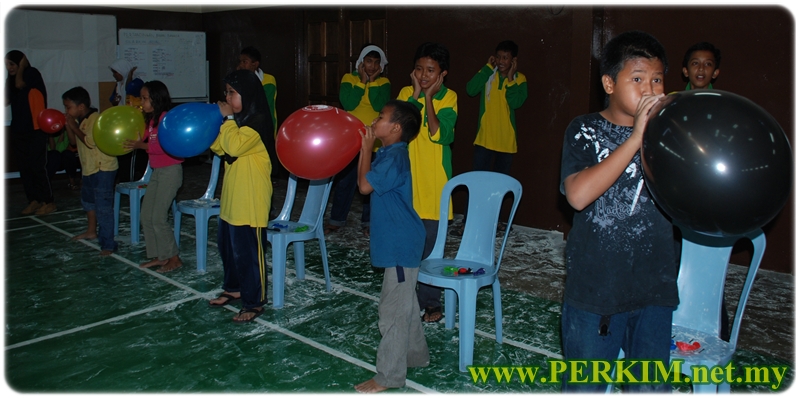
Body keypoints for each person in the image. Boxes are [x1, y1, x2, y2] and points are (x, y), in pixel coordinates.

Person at [559, 31, 678, 392]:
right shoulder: (584, 129)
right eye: (638, 79)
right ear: (609, 83)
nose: (650, 90)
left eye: (657, 79)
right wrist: (635, 139)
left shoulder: (670, 134)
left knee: (648, 387)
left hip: (654, 288)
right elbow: (578, 196)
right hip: (596, 292)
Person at [353, 100, 428, 393]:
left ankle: (389, 376)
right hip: (402, 239)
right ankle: (416, 356)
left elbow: (363, 186)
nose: (374, 120)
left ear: (395, 128)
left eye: (380, 117)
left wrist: (365, 149)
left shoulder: (392, 158)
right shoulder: (390, 153)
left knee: (392, 312)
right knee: (404, 305)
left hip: (401, 242)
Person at [397, 42, 458, 324]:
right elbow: (402, 130)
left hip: (435, 186)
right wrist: (416, 96)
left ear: (442, 74)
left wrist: (430, 99)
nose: (423, 75)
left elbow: (439, 134)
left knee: (432, 250)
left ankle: (431, 301)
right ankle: (405, 298)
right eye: (419, 69)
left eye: (430, 70)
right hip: (408, 182)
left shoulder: (449, 98)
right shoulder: (404, 96)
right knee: (408, 246)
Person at [207, 70, 274, 323]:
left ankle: (254, 302)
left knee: (248, 255)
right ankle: (233, 288)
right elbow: (220, 148)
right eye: (226, 92)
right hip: (232, 200)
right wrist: (218, 128)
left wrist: (226, 120)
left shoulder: (257, 123)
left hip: (251, 202)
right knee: (228, 249)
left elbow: (233, 145)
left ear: (248, 94)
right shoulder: (238, 123)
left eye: (232, 93)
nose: (226, 97)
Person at [454, 40, 528, 236]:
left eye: (506, 58)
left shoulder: (520, 80)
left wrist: (510, 79)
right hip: (484, 140)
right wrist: (487, 68)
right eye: (499, 57)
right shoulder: (488, 75)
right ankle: (468, 224)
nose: (501, 61)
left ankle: (493, 224)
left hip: (506, 144)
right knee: (476, 184)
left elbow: (516, 102)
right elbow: (470, 89)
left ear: (513, 60)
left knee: (498, 188)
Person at [325, 43, 390, 237]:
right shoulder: (349, 78)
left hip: (374, 140)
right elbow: (348, 103)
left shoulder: (384, 83)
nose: (371, 66)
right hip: (351, 139)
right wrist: (362, 81)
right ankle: (336, 220)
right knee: (346, 181)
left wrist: (374, 81)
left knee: (371, 182)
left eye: (375, 63)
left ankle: (368, 222)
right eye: (368, 61)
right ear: (361, 62)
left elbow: (380, 105)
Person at [123, 81, 184, 273]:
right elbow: (140, 136)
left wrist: (141, 146)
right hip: (158, 172)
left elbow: (165, 146)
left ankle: (174, 257)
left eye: (144, 98)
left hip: (171, 172)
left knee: (158, 217)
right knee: (146, 215)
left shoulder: (166, 119)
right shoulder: (151, 120)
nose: (141, 102)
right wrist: (133, 115)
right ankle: (161, 255)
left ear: (156, 99)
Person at [62, 86, 119, 256]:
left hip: (103, 168)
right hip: (89, 168)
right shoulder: (81, 121)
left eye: (68, 107)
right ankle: (91, 231)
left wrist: (75, 126)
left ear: (80, 107)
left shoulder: (96, 119)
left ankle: (108, 244)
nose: (66, 110)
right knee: (88, 202)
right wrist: (69, 127)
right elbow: (73, 142)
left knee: (103, 207)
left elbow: (90, 142)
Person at [5, 50, 56, 215]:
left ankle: (48, 201)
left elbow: (20, 83)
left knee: (36, 166)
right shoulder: (10, 80)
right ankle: (33, 200)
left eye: (12, 64)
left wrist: (21, 67)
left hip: (36, 130)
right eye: (6, 64)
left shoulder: (31, 74)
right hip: (19, 130)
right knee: (24, 167)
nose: (9, 67)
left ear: (20, 63)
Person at [109, 58, 148, 183]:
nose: (114, 75)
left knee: (134, 149)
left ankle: (134, 175)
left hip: (134, 121)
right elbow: (112, 99)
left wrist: (130, 76)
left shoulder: (137, 81)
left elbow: (130, 90)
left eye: (116, 72)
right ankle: (125, 175)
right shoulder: (118, 84)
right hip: (123, 120)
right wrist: (114, 101)